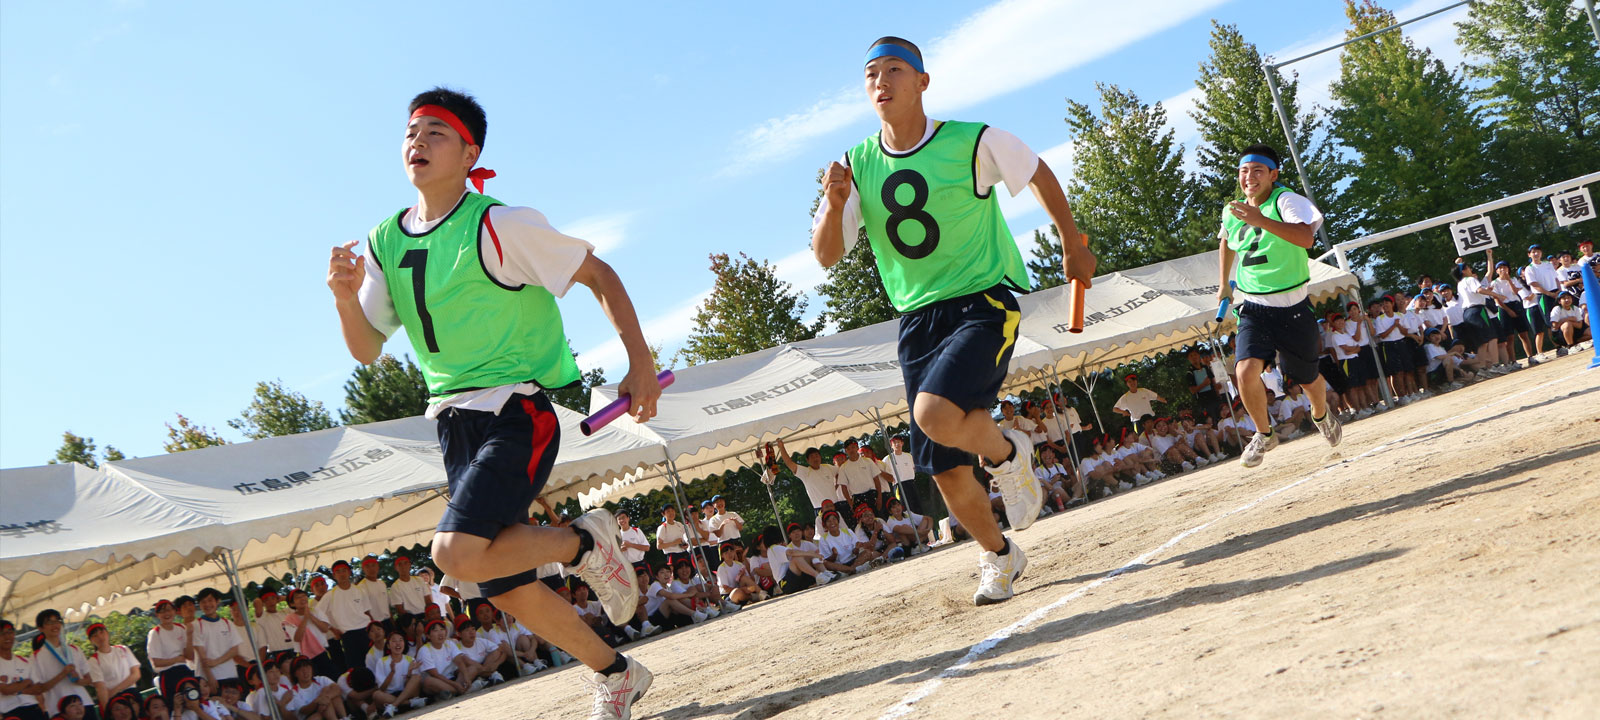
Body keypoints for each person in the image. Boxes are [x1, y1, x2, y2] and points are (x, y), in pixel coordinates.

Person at [327, 87, 656, 717]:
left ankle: (586, 542)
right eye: (410, 132)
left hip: (516, 409)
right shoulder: (385, 240)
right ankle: (617, 671)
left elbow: (599, 274)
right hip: (452, 422)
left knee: (453, 556)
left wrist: (639, 361)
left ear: (469, 150)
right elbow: (365, 349)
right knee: (501, 582)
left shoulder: (499, 223)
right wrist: (345, 298)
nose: (416, 142)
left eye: (435, 133)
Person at [810, 36, 1077, 606]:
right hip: (916, 322)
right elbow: (826, 255)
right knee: (946, 472)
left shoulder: (971, 139)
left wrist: (1072, 241)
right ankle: (1001, 556)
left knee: (933, 414)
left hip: (982, 302)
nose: (881, 80)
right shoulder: (856, 164)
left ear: (922, 82)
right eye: (871, 73)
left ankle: (1008, 455)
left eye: (895, 70)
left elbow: (1038, 173)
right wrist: (834, 206)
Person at [1215, 144, 1343, 467]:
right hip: (1254, 306)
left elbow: (1305, 239)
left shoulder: (1285, 200)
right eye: (1244, 171)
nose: (1249, 177)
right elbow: (1226, 241)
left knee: (1308, 379)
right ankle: (1265, 433)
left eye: (1258, 171)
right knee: (1244, 371)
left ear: (1273, 174)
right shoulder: (1232, 210)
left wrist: (1261, 219)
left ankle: (1320, 413)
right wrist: (1223, 285)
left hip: (1293, 306)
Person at [26, 610, 95, 720]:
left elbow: (89, 679)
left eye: (57, 621)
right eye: (49, 622)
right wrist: (63, 674)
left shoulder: (74, 649)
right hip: (58, 709)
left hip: (84, 704)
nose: (55, 625)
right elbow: (39, 689)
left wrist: (79, 681)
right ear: (40, 628)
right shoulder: (35, 658)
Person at [775, 442, 847, 518]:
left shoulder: (828, 467)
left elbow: (840, 471)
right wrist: (781, 447)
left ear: (820, 457)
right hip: (820, 508)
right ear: (807, 460)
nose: (815, 458)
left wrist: (836, 485)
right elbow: (790, 463)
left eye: (817, 456)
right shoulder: (805, 472)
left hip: (835, 505)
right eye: (812, 457)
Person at [83, 623, 140, 708]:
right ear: (91, 641)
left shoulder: (123, 649)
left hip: (131, 693)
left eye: (102, 632)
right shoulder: (93, 661)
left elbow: (136, 674)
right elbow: (100, 688)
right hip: (115, 700)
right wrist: (107, 710)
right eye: (95, 636)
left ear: (107, 633)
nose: (100, 637)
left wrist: (115, 690)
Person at [1, 619, 46, 720]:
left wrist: (16, 688)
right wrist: (27, 681)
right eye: (2, 633)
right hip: (11, 713)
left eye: (10, 632)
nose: (7, 636)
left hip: (34, 709)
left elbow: (38, 689)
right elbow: (6, 690)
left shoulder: (25, 661)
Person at [357, 556, 396, 621]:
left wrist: (392, 621)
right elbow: (365, 610)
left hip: (388, 620)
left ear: (378, 567)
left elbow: (386, 606)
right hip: (375, 623)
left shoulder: (382, 583)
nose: (371, 569)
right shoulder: (361, 587)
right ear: (363, 569)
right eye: (367, 566)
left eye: (373, 565)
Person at [654, 505, 690, 570]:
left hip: (684, 553)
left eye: (672, 511)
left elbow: (685, 537)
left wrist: (685, 544)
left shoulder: (679, 524)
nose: (671, 513)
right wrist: (674, 543)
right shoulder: (663, 527)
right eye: (668, 511)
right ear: (663, 514)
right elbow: (659, 546)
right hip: (672, 555)